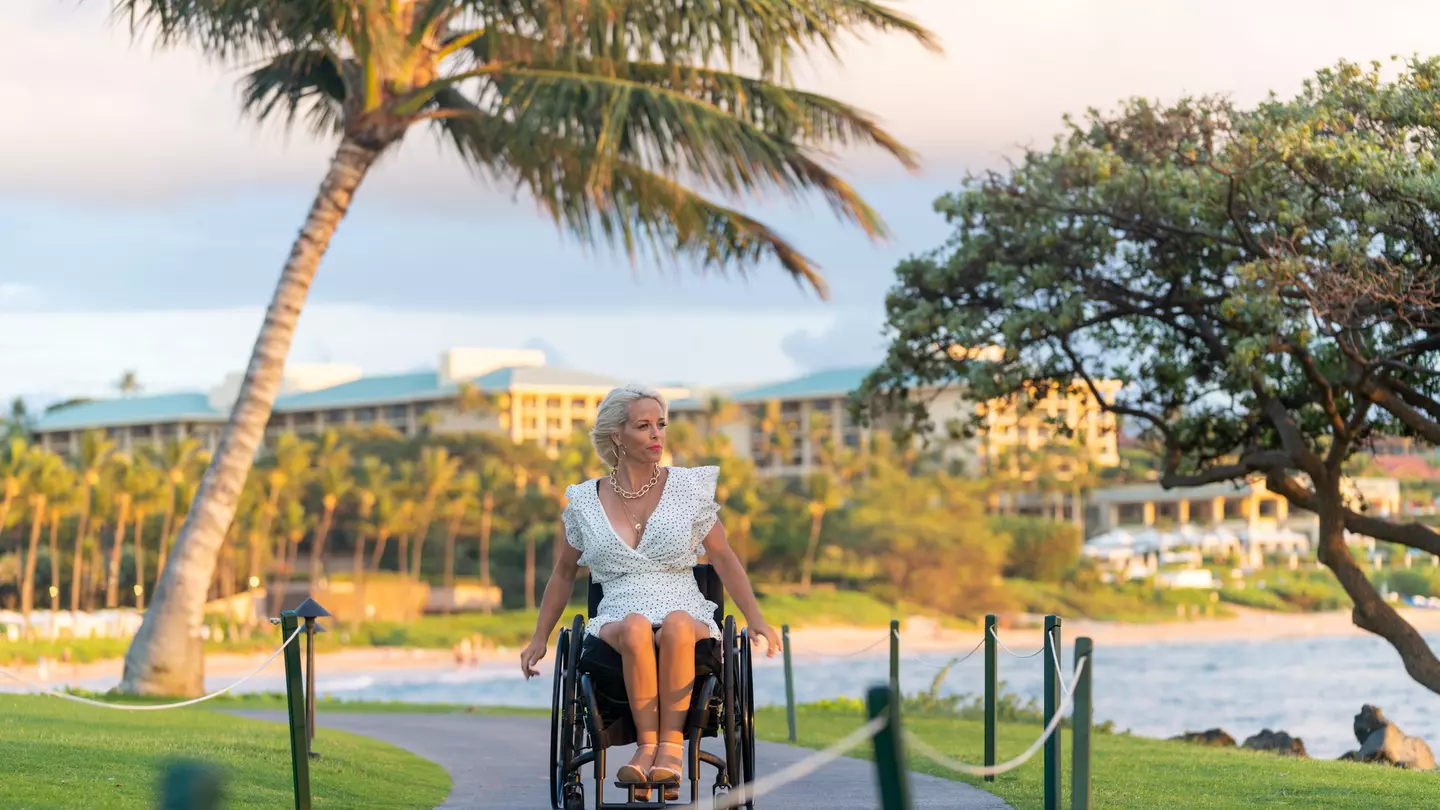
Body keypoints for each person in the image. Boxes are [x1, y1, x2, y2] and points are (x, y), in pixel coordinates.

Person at [521, 383, 781, 794]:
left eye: (660, 424)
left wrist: (758, 620)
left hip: (683, 602)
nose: (657, 434)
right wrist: (539, 638)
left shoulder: (687, 489)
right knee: (637, 626)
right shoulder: (585, 502)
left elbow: (724, 557)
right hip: (617, 610)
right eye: (644, 426)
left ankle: (671, 751)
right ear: (616, 435)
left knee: (677, 624)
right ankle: (645, 750)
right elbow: (563, 573)